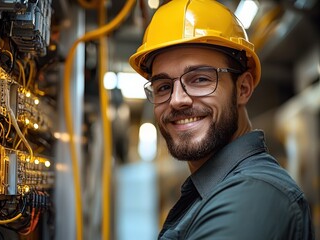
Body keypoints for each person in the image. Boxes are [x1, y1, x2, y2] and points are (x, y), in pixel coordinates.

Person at [129, 0, 314, 239]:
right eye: (163, 86)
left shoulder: (252, 197)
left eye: (200, 79)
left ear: (243, 88)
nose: (176, 100)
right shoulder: (212, 191)